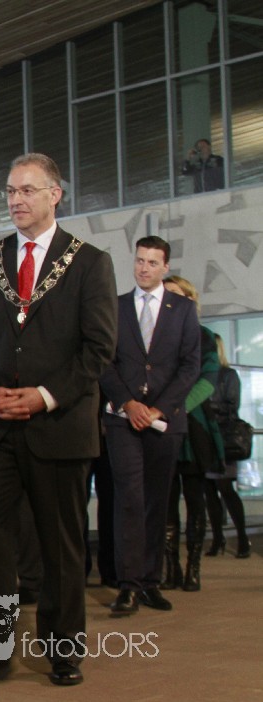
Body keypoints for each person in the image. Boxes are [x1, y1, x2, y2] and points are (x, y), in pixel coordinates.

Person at [0, 153, 117, 687]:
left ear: (54, 194)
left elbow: (98, 350)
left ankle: (63, 650)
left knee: (60, 544)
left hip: (59, 427)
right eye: (10, 191)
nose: (16, 200)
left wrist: (44, 396)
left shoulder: (90, 263)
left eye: (27, 190)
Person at [99, 236, 200, 616]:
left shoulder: (183, 309)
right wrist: (129, 403)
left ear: (165, 267)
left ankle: (150, 583)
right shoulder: (115, 306)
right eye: (140, 260)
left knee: (158, 502)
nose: (144, 268)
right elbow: (103, 361)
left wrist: (158, 409)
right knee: (129, 498)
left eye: (152, 262)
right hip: (122, 419)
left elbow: (190, 365)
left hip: (165, 421)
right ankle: (128, 586)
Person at [162, 275, 224, 592]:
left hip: (192, 426)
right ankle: (171, 568)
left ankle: (193, 568)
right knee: (166, 501)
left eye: (176, 294)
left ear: (190, 300)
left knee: (195, 499)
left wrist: (176, 408)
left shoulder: (204, 336)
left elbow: (208, 380)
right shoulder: (153, 334)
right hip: (161, 427)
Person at [206, 334, 252, 558]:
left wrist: (209, 409)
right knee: (209, 491)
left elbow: (232, 406)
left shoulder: (228, 374)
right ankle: (218, 537)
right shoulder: (201, 374)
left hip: (223, 438)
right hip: (205, 437)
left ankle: (242, 537)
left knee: (225, 489)